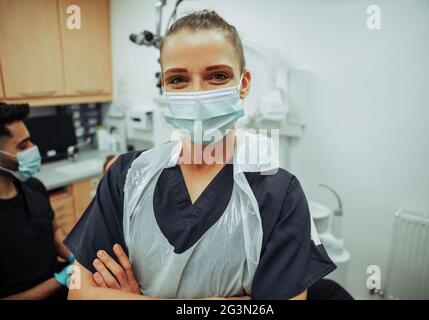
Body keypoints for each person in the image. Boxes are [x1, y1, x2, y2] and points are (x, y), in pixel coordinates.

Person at [64, 10, 336, 300]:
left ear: (243, 85)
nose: (197, 94)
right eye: (178, 79)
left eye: (217, 76)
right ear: (165, 88)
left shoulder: (280, 193)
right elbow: (79, 293)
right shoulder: (127, 176)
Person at [0, 103, 74, 299]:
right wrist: (58, 280)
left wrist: (73, 256)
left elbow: (54, 230)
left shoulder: (34, 187)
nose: (33, 148)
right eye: (23, 145)